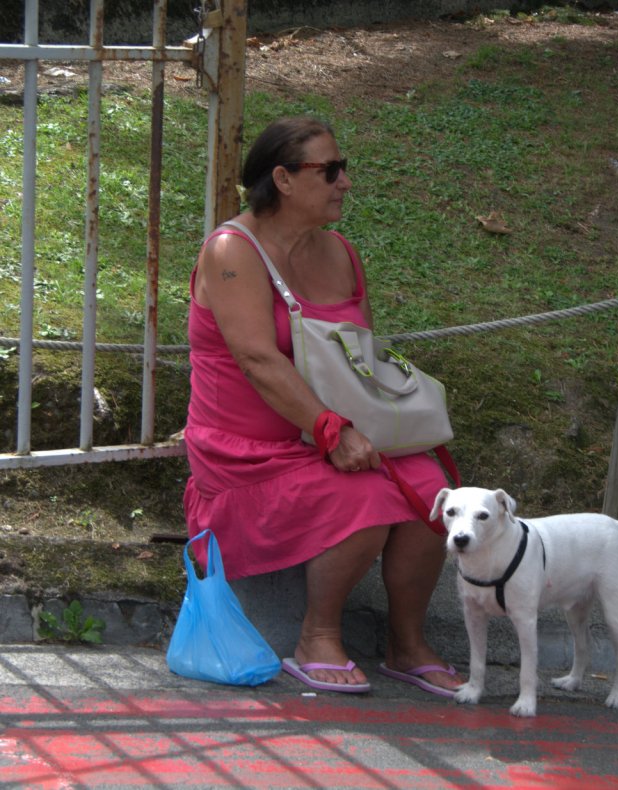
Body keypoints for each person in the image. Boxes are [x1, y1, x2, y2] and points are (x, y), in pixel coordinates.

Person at [182, 115, 462, 696]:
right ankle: (317, 636)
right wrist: (331, 430)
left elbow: (360, 358)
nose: (345, 182)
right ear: (282, 179)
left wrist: (371, 426)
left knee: (433, 489)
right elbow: (258, 359)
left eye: (344, 168)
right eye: (330, 170)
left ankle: (406, 644)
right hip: (248, 449)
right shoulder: (231, 250)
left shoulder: (340, 253)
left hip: (326, 430)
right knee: (365, 496)